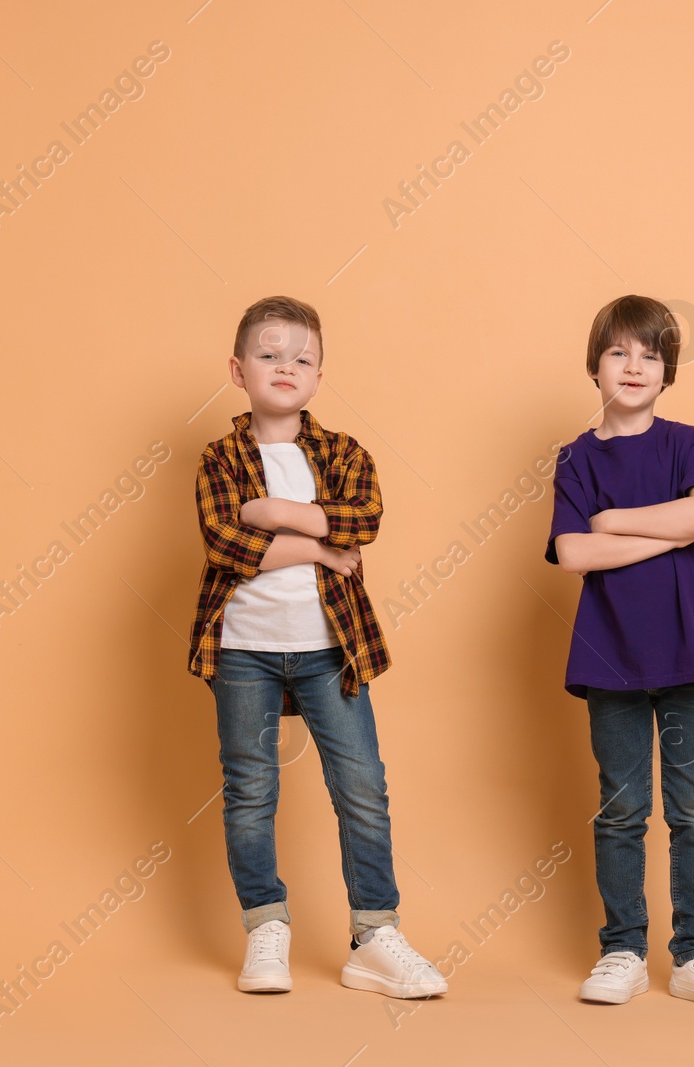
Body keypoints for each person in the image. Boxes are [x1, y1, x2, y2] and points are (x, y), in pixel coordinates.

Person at [188, 295, 446, 999]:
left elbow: (364, 520)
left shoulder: (343, 453)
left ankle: (375, 933)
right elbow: (226, 545)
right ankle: (265, 925)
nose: (285, 366)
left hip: (330, 648)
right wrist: (321, 547)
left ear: (319, 376)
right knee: (250, 789)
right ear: (238, 369)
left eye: (301, 358)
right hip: (242, 649)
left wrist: (274, 516)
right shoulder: (220, 457)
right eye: (269, 355)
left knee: (362, 785)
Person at [544, 294, 694, 1010]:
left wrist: (623, 524)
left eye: (650, 354)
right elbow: (575, 551)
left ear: (667, 372)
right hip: (609, 661)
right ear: (594, 365)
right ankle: (623, 949)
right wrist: (671, 531)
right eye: (618, 352)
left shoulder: (687, 441)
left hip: (691, 655)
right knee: (620, 809)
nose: (634, 365)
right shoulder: (577, 458)